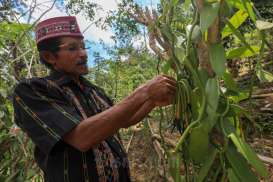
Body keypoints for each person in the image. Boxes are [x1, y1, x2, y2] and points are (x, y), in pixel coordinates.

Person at [13, 16, 177, 182]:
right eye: (72, 48)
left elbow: (124, 120)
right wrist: (144, 92)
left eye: (83, 47)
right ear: (49, 57)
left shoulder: (93, 91)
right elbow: (81, 137)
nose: (83, 54)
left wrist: (152, 102)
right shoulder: (32, 90)